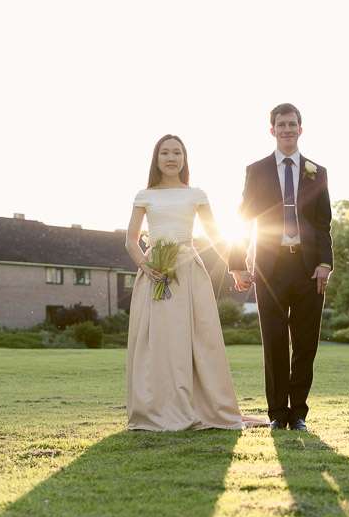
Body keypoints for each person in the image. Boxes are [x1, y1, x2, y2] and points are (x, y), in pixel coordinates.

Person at [125, 134, 267, 432]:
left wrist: (236, 269)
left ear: (184, 159)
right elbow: (130, 240)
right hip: (155, 274)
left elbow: (216, 236)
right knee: (158, 341)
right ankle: (159, 406)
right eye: (165, 152)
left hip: (189, 271)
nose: (171, 157)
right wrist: (147, 266)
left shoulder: (196, 194)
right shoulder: (144, 195)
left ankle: (200, 405)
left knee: (196, 337)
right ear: (157, 158)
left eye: (177, 152)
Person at [228, 103, 333, 431]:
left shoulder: (318, 171)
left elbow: (324, 223)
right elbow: (243, 218)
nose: (287, 129)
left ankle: (298, 413)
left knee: (305, 343)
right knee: (273, 342)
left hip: (307, 269)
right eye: (281, 125)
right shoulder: (256, 170)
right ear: (271, 129)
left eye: (292, 124)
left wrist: (325, 263)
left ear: (301, 129)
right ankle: (277, 414)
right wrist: (237, 264)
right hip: (269, 270)